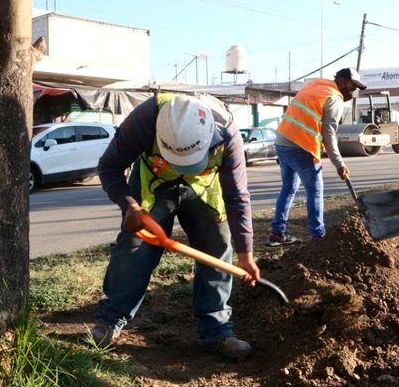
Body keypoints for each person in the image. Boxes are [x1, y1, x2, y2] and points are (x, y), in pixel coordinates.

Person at [90, 93, 259, 362]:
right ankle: (110, 321)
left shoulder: (227, 133)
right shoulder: (145, 119)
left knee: (218, 246)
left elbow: (237, 197)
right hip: (153, 183)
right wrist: (130, 206)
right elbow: (109, 167)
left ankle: (216, 331)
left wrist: (246, 255)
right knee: (135, 248)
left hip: (204, 188)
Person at [268, 67, 366, 246]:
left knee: (288, 189)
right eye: (353, 86)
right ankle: (318, 236)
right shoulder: (334, 98)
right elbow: (329, 135)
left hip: (282, 142)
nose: (354, 90)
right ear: (342, 81)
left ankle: (277, 234)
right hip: (301, 148)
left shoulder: (316, 84)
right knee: (315, 191)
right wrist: (339, 164)